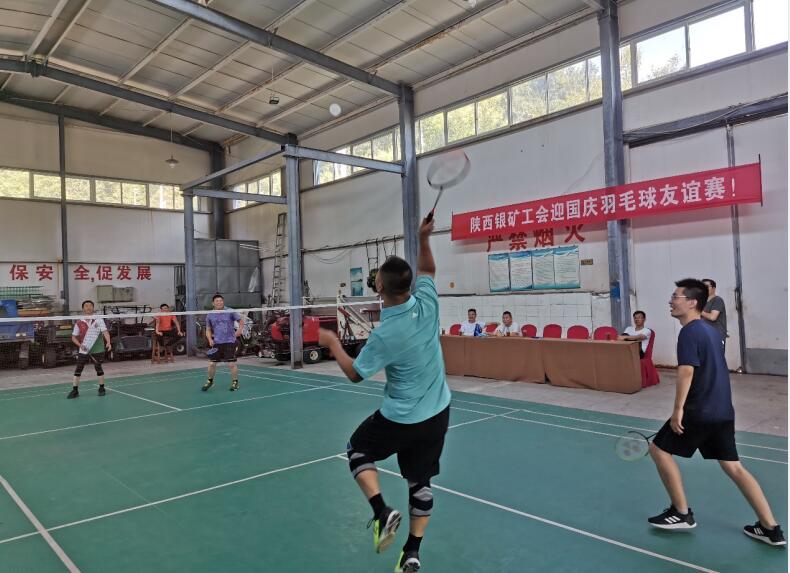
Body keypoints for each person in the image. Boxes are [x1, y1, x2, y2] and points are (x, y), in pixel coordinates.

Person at [318, 217, 451, 573]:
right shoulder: (427, 302)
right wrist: (424, 238)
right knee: (420, 482)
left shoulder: (385, 334)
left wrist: (332, 343)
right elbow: (428, 268)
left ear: (378, 286)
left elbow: (355, 374)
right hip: (438, 413)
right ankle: (412, 552)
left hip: (401, 418)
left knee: (357, 450)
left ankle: (381, 510)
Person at [646, 278, 785, 547]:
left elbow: (687, 371)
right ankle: (771, 528)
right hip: (722, 410)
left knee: (659, 450)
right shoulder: (711, 331)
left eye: (675, 296)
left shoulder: (689, 332)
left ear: (692, 302)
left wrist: (678, 410)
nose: (670, 301)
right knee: (734, 466)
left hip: (699, 409)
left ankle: (681, 513)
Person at [68, 300, 112, 399]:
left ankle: (101, 388)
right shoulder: (79, 322)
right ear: (83, 308)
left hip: (97, 349)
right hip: (84, 349)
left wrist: (108, 342)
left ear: (93, 307)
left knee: (98, 368)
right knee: (78, 369)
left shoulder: (98, 319)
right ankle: (75, 390)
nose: (88, 307)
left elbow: (105, 332)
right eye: (86, 306)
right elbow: (73, 337)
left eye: (90, 305)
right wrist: (80, 345)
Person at [202, 294, 242, 392]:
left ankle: (235, 382)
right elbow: (208, 329)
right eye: (217, 301)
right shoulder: (210, 315)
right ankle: (210, 381)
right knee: (212, 364)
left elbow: (241, 320)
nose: (219, 302)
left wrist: (240, 330)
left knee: (231, 363)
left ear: (223, 302)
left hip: (230, 341)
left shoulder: (229, 311)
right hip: (217, 342)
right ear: (213, 303)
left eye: (221, 301)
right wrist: (210, 339)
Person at [700, 278, 727, 352]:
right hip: (704, 336)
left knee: (717, 358)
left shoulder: (717, 300)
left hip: (716, 337)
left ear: (714, 288)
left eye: (706, 286)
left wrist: (699, 311)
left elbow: (713, 317)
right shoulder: (702, 302)